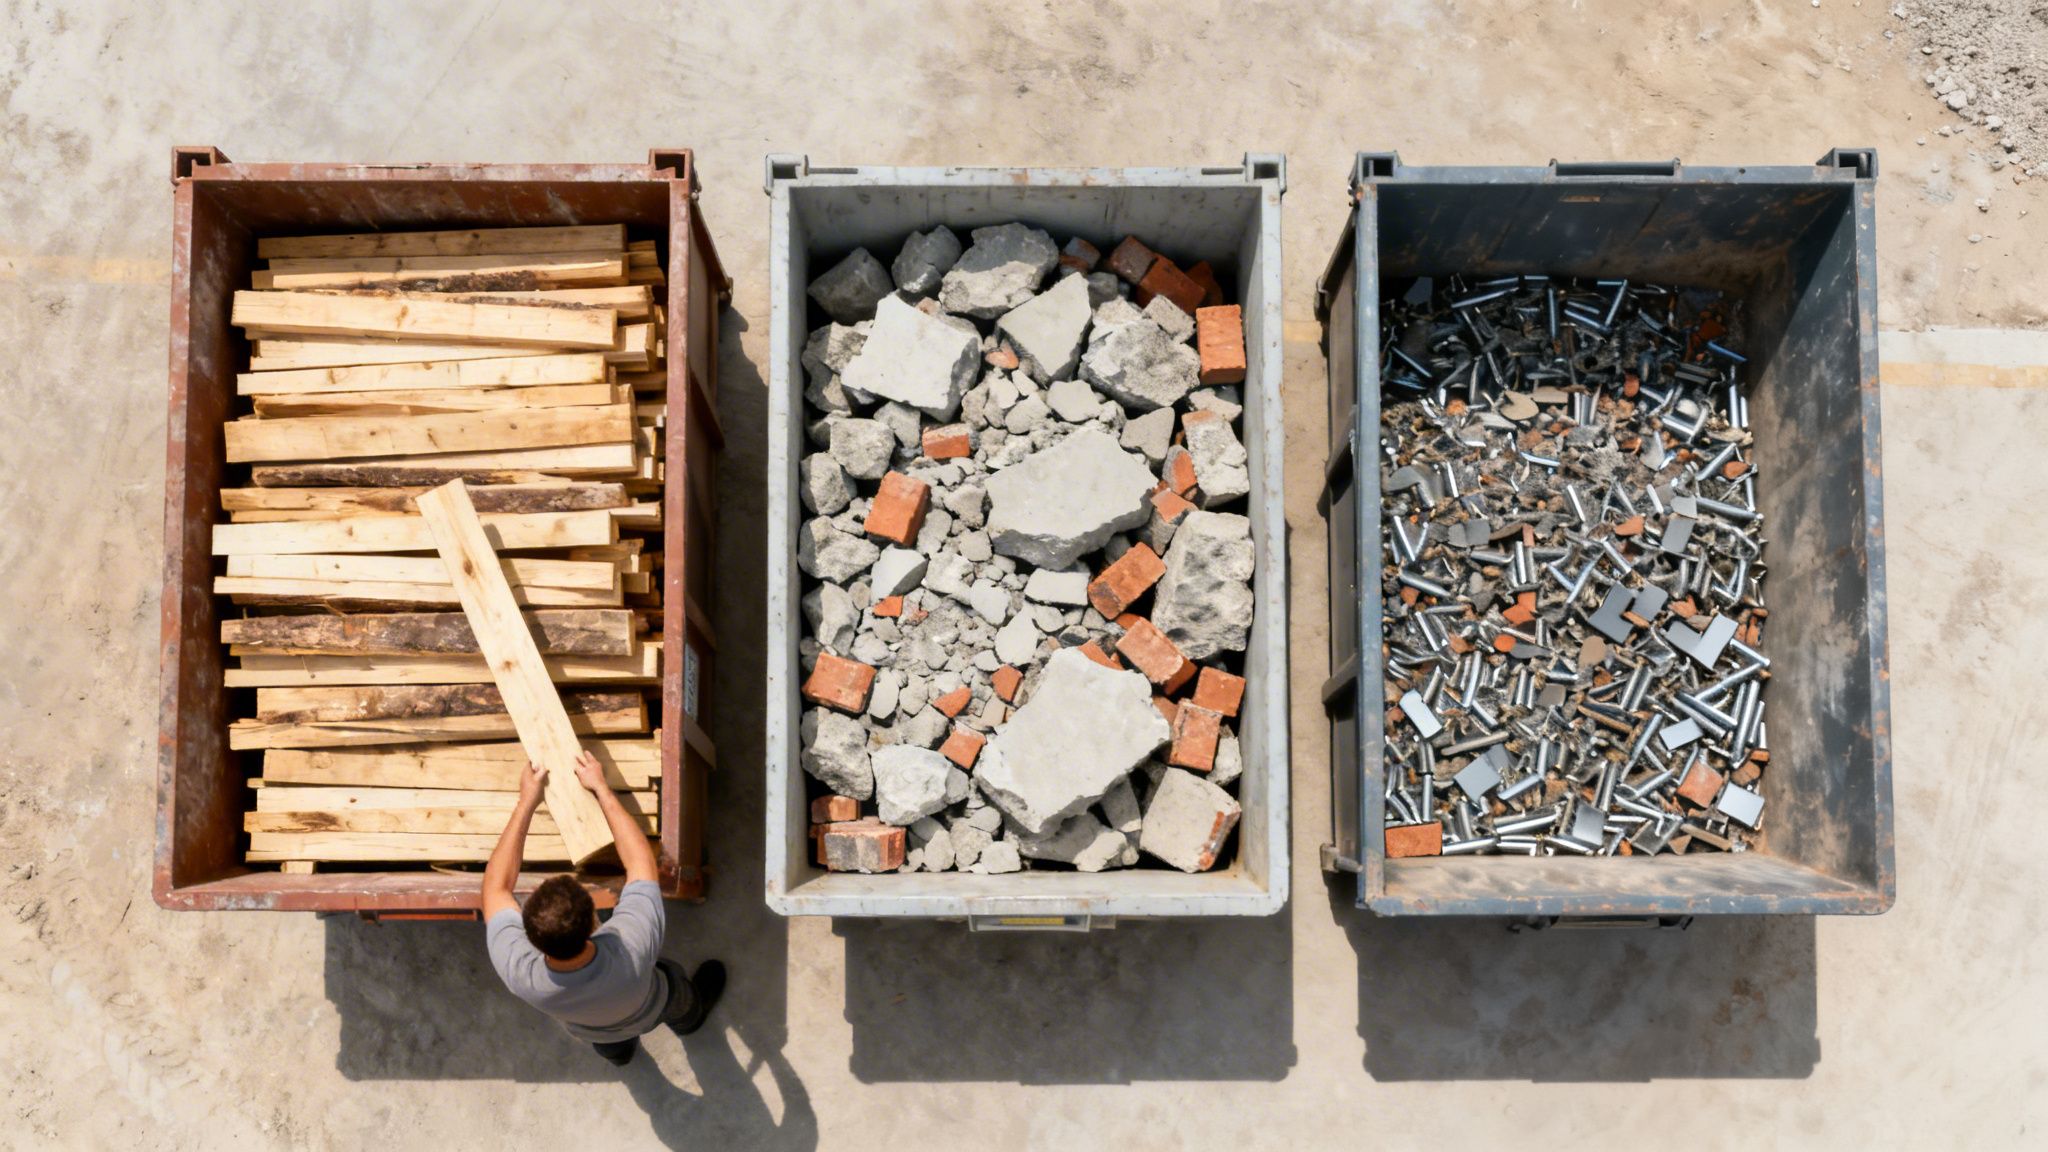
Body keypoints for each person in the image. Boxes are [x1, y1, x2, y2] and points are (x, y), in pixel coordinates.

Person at [482, 749, 725, 1066]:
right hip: (653, 1004)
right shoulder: (630, 945)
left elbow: (496, 888)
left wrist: (525, 802)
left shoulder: (519, 970)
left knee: (608, 1043)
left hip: (591, 1028)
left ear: (529, 935)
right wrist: (601, 789)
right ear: (595, 923)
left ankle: (620, 1055)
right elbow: (640, 863)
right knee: (681, 1001)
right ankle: (690, 1022)